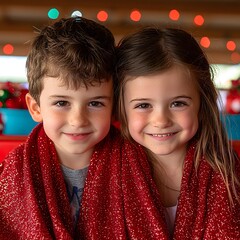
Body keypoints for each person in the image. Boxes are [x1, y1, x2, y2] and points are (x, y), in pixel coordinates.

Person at [0, 17, 168, 239]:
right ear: (35, 107)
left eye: (95, 103)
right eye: (62, 103)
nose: (78, 120)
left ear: (114, 106)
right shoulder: (14, 171)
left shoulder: (138, 162)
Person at [115, 27, 240, 239]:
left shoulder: (230, 173)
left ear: (201, 103)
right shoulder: (106, 170)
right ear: (120, 108)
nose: (161, 120)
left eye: (178, 103)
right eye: (143, 105)